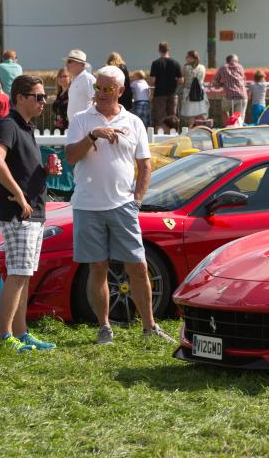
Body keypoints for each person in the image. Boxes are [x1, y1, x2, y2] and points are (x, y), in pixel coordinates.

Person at [65, 65, 173, 345]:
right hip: (88, 206)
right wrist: (92, 136)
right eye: (98, 88)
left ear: (121, 91)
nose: (100, 94)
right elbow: (71, 157)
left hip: (123, 205)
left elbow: (145, 165)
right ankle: (104, 327)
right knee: (97, 267)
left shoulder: (134, 122)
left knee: (137, 266)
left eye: (107, 89)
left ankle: (149, 326)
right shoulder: (81, 119)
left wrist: (137, 200)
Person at [0, 75, 56, 353]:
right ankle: (6, 336)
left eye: (44, 97)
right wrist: (18, 195)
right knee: (17, 274)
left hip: (32, 212)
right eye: (38, 97)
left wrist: (46, 172)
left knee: (24, 274)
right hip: (20, 213)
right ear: (20, 98)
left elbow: (24, 168)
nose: (44, 102)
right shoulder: (8, 124)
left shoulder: (26, 128)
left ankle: (21, 333)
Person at [148, 42, 183, 123]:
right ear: (168, 50)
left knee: (160, 117)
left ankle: (160, 133)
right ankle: (173, 133)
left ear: (159, 50)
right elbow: (181, 80)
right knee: (173, 117)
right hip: (172, 93)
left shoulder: (155, 63)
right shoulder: (176, 63)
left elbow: (152, 81)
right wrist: (174, 83)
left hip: (159, 94)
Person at [212, 54, 248, 126]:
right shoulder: (240, 67)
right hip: (242, 95)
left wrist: (221, 84)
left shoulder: (223, 68)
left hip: (229, 96)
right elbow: (244, 80)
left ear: (227, 61)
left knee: (224, 110)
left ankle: (228, 125)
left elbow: (215, 82)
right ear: (236, 61)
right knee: (239, 117)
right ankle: (238, 128)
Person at [64, 49, 95, 122]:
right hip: (75, 125)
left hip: (85, 125)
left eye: (69, 61)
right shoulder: (74, 80)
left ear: (80, 64)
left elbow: (97, 100)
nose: (66, 65)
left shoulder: (89, 79)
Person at [179, 50, 208, 125]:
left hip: (189, 93)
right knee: (201, 114)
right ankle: (203, 130)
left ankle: (191, 131)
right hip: (200, 93)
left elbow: (183, 81)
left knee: (191, 115)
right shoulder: (202, 67)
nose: (186, 58)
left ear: (193, 58)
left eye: (187, 57)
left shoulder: (186, 67)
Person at [52, 67, 71, 131]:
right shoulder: (59, 94)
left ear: (70, 78)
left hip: (68, 127)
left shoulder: (71, 93)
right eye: (60, 76)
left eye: (65, 76)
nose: (62, 78)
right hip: (58, 128)